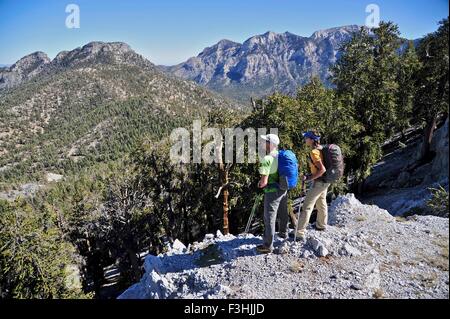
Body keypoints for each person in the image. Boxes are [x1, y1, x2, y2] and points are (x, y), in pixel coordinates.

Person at [256, 134, 289, 254]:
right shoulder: (281, 155)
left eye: (265, 141)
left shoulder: (267, 159)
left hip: (272, 191)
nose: (263, 143)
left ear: (271, 144)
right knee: (283, 211)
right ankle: (283, 233)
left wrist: (259, 184)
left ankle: (267, 245)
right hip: (283, 188)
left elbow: (264, 182)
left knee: (269, 217)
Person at [295, 130, 330, 241]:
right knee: (321, 202)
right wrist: (311, 174)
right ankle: (321, 225)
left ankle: (299, 233)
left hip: (319, 182)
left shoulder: (314, 152)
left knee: (307, 206)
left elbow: (322, 169)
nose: (305, 140)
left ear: (311, 139)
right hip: (326, 181)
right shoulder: (321, 149)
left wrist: (309, 178)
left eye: (306, 138)